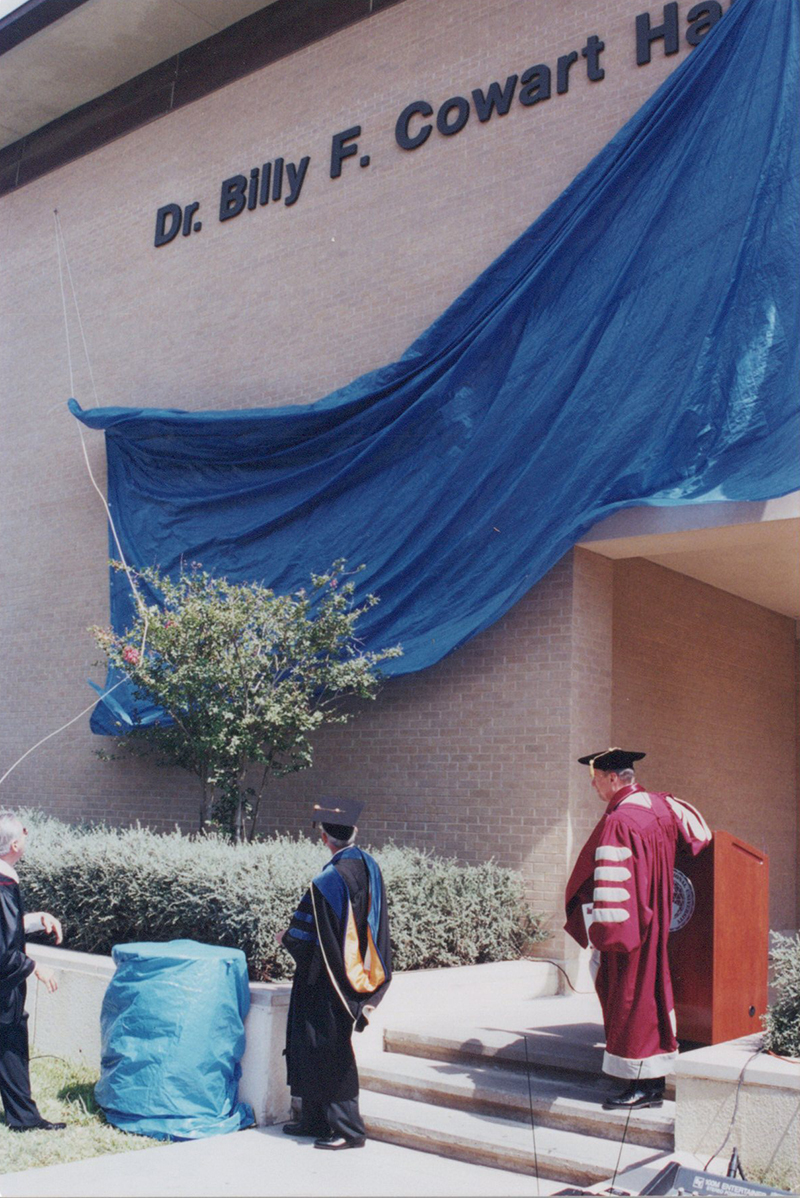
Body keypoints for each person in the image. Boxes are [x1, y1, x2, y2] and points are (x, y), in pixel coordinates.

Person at [565, 749, 711, 1110]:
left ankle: (644, 1086)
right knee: (650, 996)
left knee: (631, 997)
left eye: (596, 780)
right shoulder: (662, 807)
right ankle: (648, 1079)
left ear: (613, 779)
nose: (595, 788)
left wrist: (608, 933)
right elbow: (700, 837)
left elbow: (616, 886)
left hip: (631, 926)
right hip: (659, 920)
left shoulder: (621, 820)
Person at [277, 798, 392, 1150]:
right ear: (353, 834)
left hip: (325, 982)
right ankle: (314, 1119)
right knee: (312, 1046)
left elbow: (309, 937)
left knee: (329, 1050)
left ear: (324, 838)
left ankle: (348, 1129)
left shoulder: (327, 881)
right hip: (355, 975)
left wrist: (286, 938)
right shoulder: (369, 866)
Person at [0, 811, 66, 1131]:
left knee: (9, 1043)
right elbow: (2, 949)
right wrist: (34, 966)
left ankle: (24, 1118)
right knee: (10, 1040)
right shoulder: (3, 884)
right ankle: (24, 1118)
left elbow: (5, 929)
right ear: (14, 844)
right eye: (24, 836)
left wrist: (37, 920)